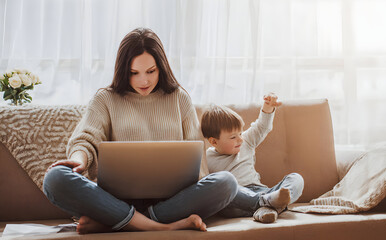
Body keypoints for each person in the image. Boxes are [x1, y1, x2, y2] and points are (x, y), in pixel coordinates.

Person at [43, 28, 239, 234]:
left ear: (161, 67)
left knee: (226, 183)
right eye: (133, 73)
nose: (143, 81)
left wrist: (195, 183)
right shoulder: (105, 99)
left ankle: (118, 223)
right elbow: (85, 139)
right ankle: (162, 226)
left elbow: (197, 160)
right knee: (55, 178)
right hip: (116, 200)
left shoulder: (180, 98)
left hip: (172, 201)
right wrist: (79, 160)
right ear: (122, 70)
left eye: (151, 71)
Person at [200, 93, 304, 223]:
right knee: (226, 188)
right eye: (233, 137)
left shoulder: (246, 141)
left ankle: (267, 208)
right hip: (236, 200)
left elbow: (261, 127)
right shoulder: (206, 159)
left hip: (262, 191)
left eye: (240, 133)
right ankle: (271, 206)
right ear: (214, 142)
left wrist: (268, 107)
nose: (240, 139)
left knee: (296, 178)